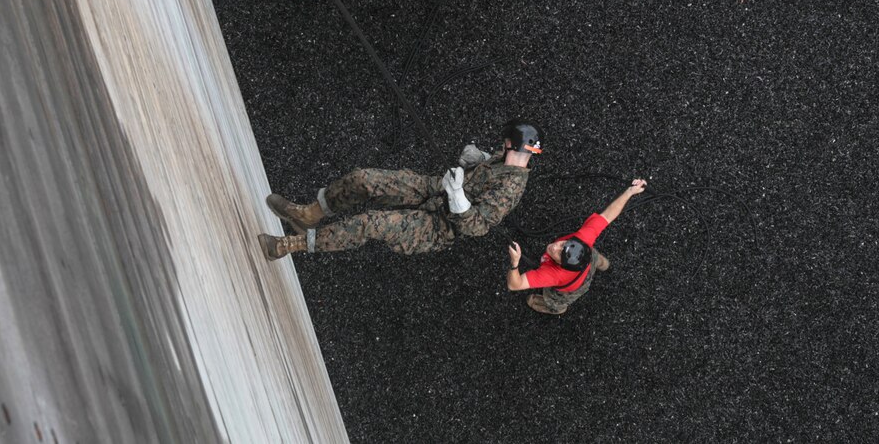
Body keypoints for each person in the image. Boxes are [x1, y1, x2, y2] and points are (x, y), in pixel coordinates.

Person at [257, 121, 542, 260]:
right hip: (433, 189)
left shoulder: (511, 187)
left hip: (439, 225)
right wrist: (477, 159)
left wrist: (458, 196)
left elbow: (477, 226)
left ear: (510, 144)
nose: (500, 146)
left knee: (370, 224)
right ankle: (308, 214)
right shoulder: (505, 161)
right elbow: (484, 171)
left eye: (503, 143)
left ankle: (290, 245)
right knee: (364, 179)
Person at [506, 178, 648, 315]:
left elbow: (514, 285)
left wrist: (514, 263)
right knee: (594, 257)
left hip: (570, 287)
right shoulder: (582, 240)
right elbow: (607, 216)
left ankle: (556, 309)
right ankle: (603, 264)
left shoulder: (554, 275)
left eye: (558, 254)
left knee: (555, 299)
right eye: (562, 245)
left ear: (562, 265)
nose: (554, 247)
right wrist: (629, 192)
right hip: (588, 260)